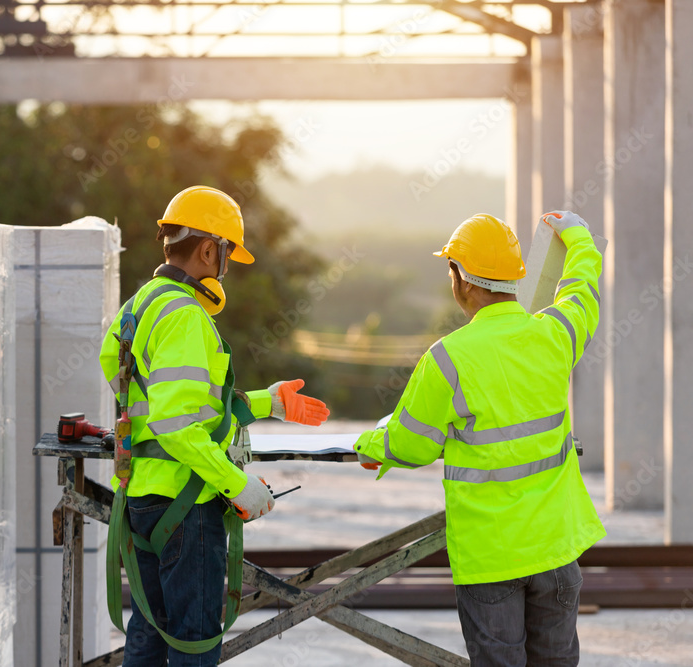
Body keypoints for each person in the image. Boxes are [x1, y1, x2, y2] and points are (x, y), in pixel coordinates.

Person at [353, 211, 605, 666]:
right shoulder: (554, 335)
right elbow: (582, 291)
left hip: (492, 560)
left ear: (462, 281)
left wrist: (370, 445)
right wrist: (579, 237)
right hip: (555, 549)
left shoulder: (447, 358)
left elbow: (410, 445)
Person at [100, 185, 330, 666]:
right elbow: (177, 424)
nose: (226, 266)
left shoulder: (139, 307)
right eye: (226, 253)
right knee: (194, 642)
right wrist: (235, 483)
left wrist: (271, 402)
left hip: (142, 496)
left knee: (150, 631)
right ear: (209, 249)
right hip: (188, 504)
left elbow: (156, 400)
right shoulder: (185, 317)